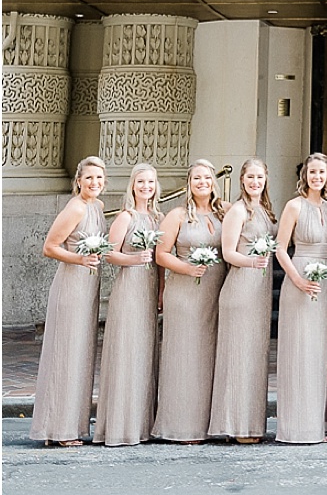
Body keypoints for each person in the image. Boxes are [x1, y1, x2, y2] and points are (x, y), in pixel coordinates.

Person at [30, 156, 109, 446]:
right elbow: (49, 247)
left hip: (89, 286)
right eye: (89, 178)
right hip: (71, 287)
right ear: (78, 181)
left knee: (79, 355)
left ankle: (71, 426)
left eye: (99, 178)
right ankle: (58, 429)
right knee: (66, 354)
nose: (94, 183)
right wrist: (79, 258)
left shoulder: (97, 206)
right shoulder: (75, 207)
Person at [153, 159, 228, 443]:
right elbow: (162, 254)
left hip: (215, 290)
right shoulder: (177, 215)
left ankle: (209, 423)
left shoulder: (224, 212)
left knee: (209, 355)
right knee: (185, 355)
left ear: (213, 182)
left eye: (207, 178)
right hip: (185, 292)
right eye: (197, 178)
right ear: (189, 183)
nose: (202, 183)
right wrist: (186, 268)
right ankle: (182, 426)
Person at [209, 157, 277, 443]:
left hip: (259, 292)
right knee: (238, 356)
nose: (255, 182)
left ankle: (251, 424)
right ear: (241, 180)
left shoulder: (266, 210)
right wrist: (252, 263)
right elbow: (228, 253)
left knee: (254, 358)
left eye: (259, 177)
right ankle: (234, 425)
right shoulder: (238, 211)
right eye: (250, 177)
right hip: (240, 289)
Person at [94, 163, 163, 447]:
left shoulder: (159, 218)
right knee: (127, 352)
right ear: (132, 186)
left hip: (150, 290)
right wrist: (135, 260)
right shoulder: (126, 216)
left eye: (150, 182)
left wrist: (162, 290)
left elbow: (159, 260)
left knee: (145, 354)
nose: (146, 187)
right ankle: (120, 427)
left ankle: (142, 425)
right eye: (141, 182)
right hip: (129, 289)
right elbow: (109, 254)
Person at [275, 152, 327, 444]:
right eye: (312, 172)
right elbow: (279, 248)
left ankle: (321, 421)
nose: (317, 177)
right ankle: (298, 426)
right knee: (302, 355)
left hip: (325, 284)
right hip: (299, 280)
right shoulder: (294, 206)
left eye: (322, 173)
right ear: (305, 176)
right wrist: (297, 279)